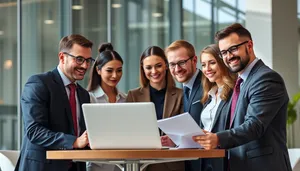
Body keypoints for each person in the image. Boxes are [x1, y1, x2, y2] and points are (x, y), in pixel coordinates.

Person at [193, 23, 292, 171]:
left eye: (233, 49)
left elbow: (254, 125)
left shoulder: (266, 78)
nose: (229, 56)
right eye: (224, 52)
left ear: (249, 45)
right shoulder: (241, 83)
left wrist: (218, 138)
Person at [15, 34, 93, 171]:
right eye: (79, 59)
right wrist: (74, 141)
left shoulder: (83, 94)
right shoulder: (39, 83)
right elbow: (34, 131)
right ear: (62, 57)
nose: (85, 65)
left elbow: (81, 134)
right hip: (43, 167)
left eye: (88, 60)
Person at [126, 46, 184, 171]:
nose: (154, 71)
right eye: (148, 67)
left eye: (158, 65)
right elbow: (128, 131)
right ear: (143, 69)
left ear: (166, 66)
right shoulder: (133, 95)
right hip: (141, 163)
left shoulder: (181, 95)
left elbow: (185, 129)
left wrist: (174, 139)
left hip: (172, 162)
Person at [195, 44, 236, 171]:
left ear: (223, 62)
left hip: (227, 159)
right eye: (203, 65)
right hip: (208, 159)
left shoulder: (235, 93)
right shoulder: (209, 96)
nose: (207, 69)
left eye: (212, 63)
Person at [86, 43, 125, 171]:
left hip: (124, 163)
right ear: (98, 70)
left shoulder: (126, 99)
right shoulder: (88, 98)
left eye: (119, 70)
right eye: (109, 70)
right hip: (97, 164)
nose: (115, 75)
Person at [165, 40, 203, 171]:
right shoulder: (185, 89)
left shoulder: (208, 85)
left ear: (194, 60)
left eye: (182, 62)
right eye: (172, 64)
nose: (177, 69)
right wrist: (177, 140)